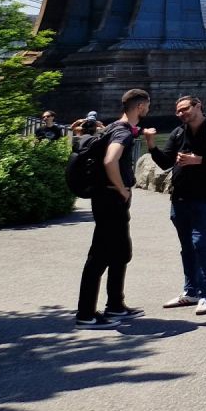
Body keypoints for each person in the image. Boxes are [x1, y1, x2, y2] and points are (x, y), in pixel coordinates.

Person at [74, 88, 157, 329]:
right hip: (111, 199)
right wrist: (121, 188)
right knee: (99, 256)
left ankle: (115, 306)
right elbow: (110, 160)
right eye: (147, 105)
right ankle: (86, 314)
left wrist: (144, 134)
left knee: (120, 252)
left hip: (106, 198)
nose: (148, 109)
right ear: (140, 106)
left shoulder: (113, 127)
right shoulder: (122, 132)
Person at [149, 94, 206, 316]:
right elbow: (166, 162)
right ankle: (191, 292)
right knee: (186, 246)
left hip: (203, 195)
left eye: (185, 109)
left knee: (200, 243)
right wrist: (151, 145)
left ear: (198, 106)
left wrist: (200, 160)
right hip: (179, 197)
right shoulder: (179, 132)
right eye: (178, 111)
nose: (181, 114)